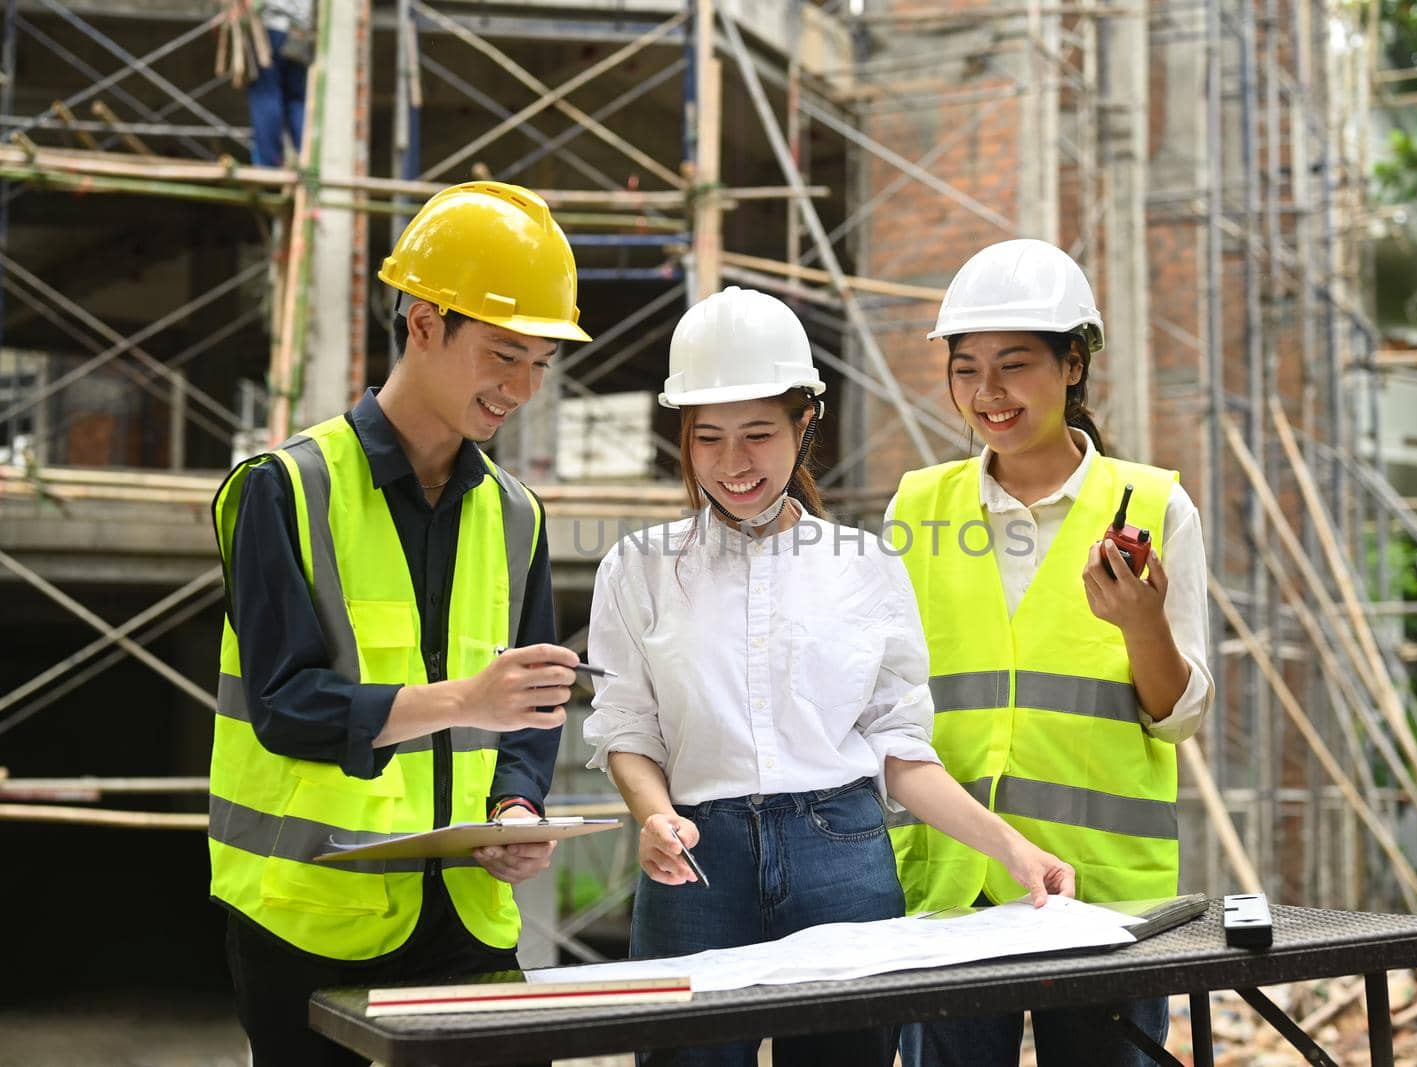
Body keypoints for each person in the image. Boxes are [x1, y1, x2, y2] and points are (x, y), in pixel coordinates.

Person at [583, 286, 1075, 1067]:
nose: (733, 463)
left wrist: (1012, 848)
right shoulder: (636, 569)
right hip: (695, 860)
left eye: (757, 434)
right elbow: (627, 727)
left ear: (804, 421)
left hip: (841, 852)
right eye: (708, 438)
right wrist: (652, 814)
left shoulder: (867, 568)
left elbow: (901, 750)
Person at [208, 180, 593, 1067]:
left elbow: (534, 709)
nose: (522, 389)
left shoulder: (518, 515)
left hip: (469, 915)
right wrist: (467, 699)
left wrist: (518, 802)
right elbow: (285, 704)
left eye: (540, 363)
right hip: (312, 918)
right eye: (504, 354)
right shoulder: (283, 490)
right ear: (423, 324)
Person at [888, 239, 1215, 1067]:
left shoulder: (1149, 504)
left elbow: (1179, 718)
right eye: (966, 369)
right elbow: (880, 696)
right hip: (953, 882)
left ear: (1074, 364)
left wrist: (1142, 622)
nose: (987, 393)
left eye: (1015, 364)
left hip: (1106, 894)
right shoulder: (919, 504)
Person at [246, 1, 314, 167]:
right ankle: (306, 160)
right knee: (296, 100)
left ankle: (268, 164)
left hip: (268, 26)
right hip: (300, 31)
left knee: (265, 95)